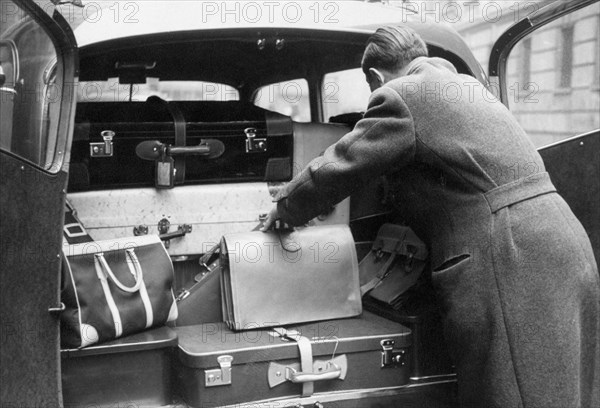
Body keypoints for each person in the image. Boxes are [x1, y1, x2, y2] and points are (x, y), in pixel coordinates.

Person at [261, 26, 600, 408]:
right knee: (563, 390)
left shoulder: (404, 95)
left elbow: (344, 163)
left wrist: (286, 206)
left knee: (514, 393)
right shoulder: (464, 86)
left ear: (375, 78)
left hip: (510, 257)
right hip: (563, 246)